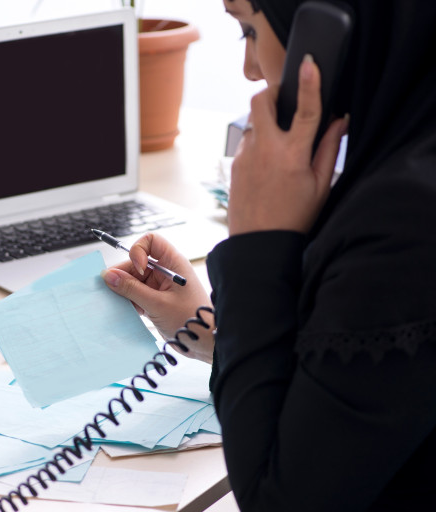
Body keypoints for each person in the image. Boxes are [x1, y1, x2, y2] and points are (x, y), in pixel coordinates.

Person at [101, 0, 436, 510]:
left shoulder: (403, 224)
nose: (250, 69)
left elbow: (278, 499)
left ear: (326, 28)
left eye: (249, 31)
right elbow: (373, 383)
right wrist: (218, 334)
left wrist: (259, 240)